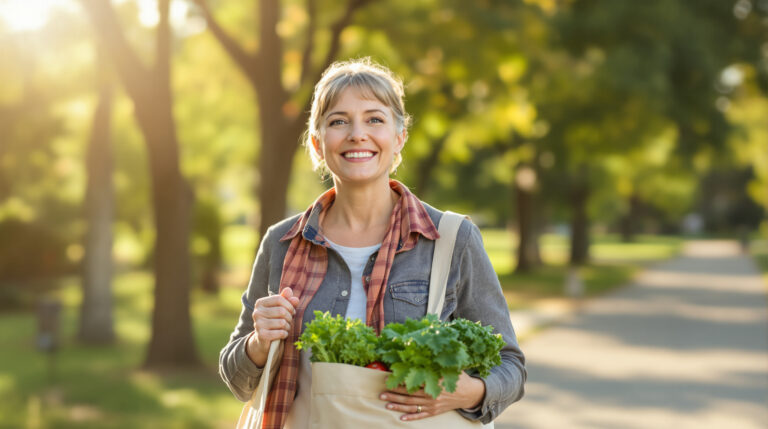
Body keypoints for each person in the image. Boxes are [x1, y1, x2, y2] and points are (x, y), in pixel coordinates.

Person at [219, 58, 526, 429]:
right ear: (317, 143)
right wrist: (258, 343)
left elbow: (511, 367)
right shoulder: (282, 243)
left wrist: (469, 392)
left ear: (399, 137)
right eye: (338, 121)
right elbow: (237, 380)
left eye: (374, 119)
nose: (357, 134)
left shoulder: (451, 239)